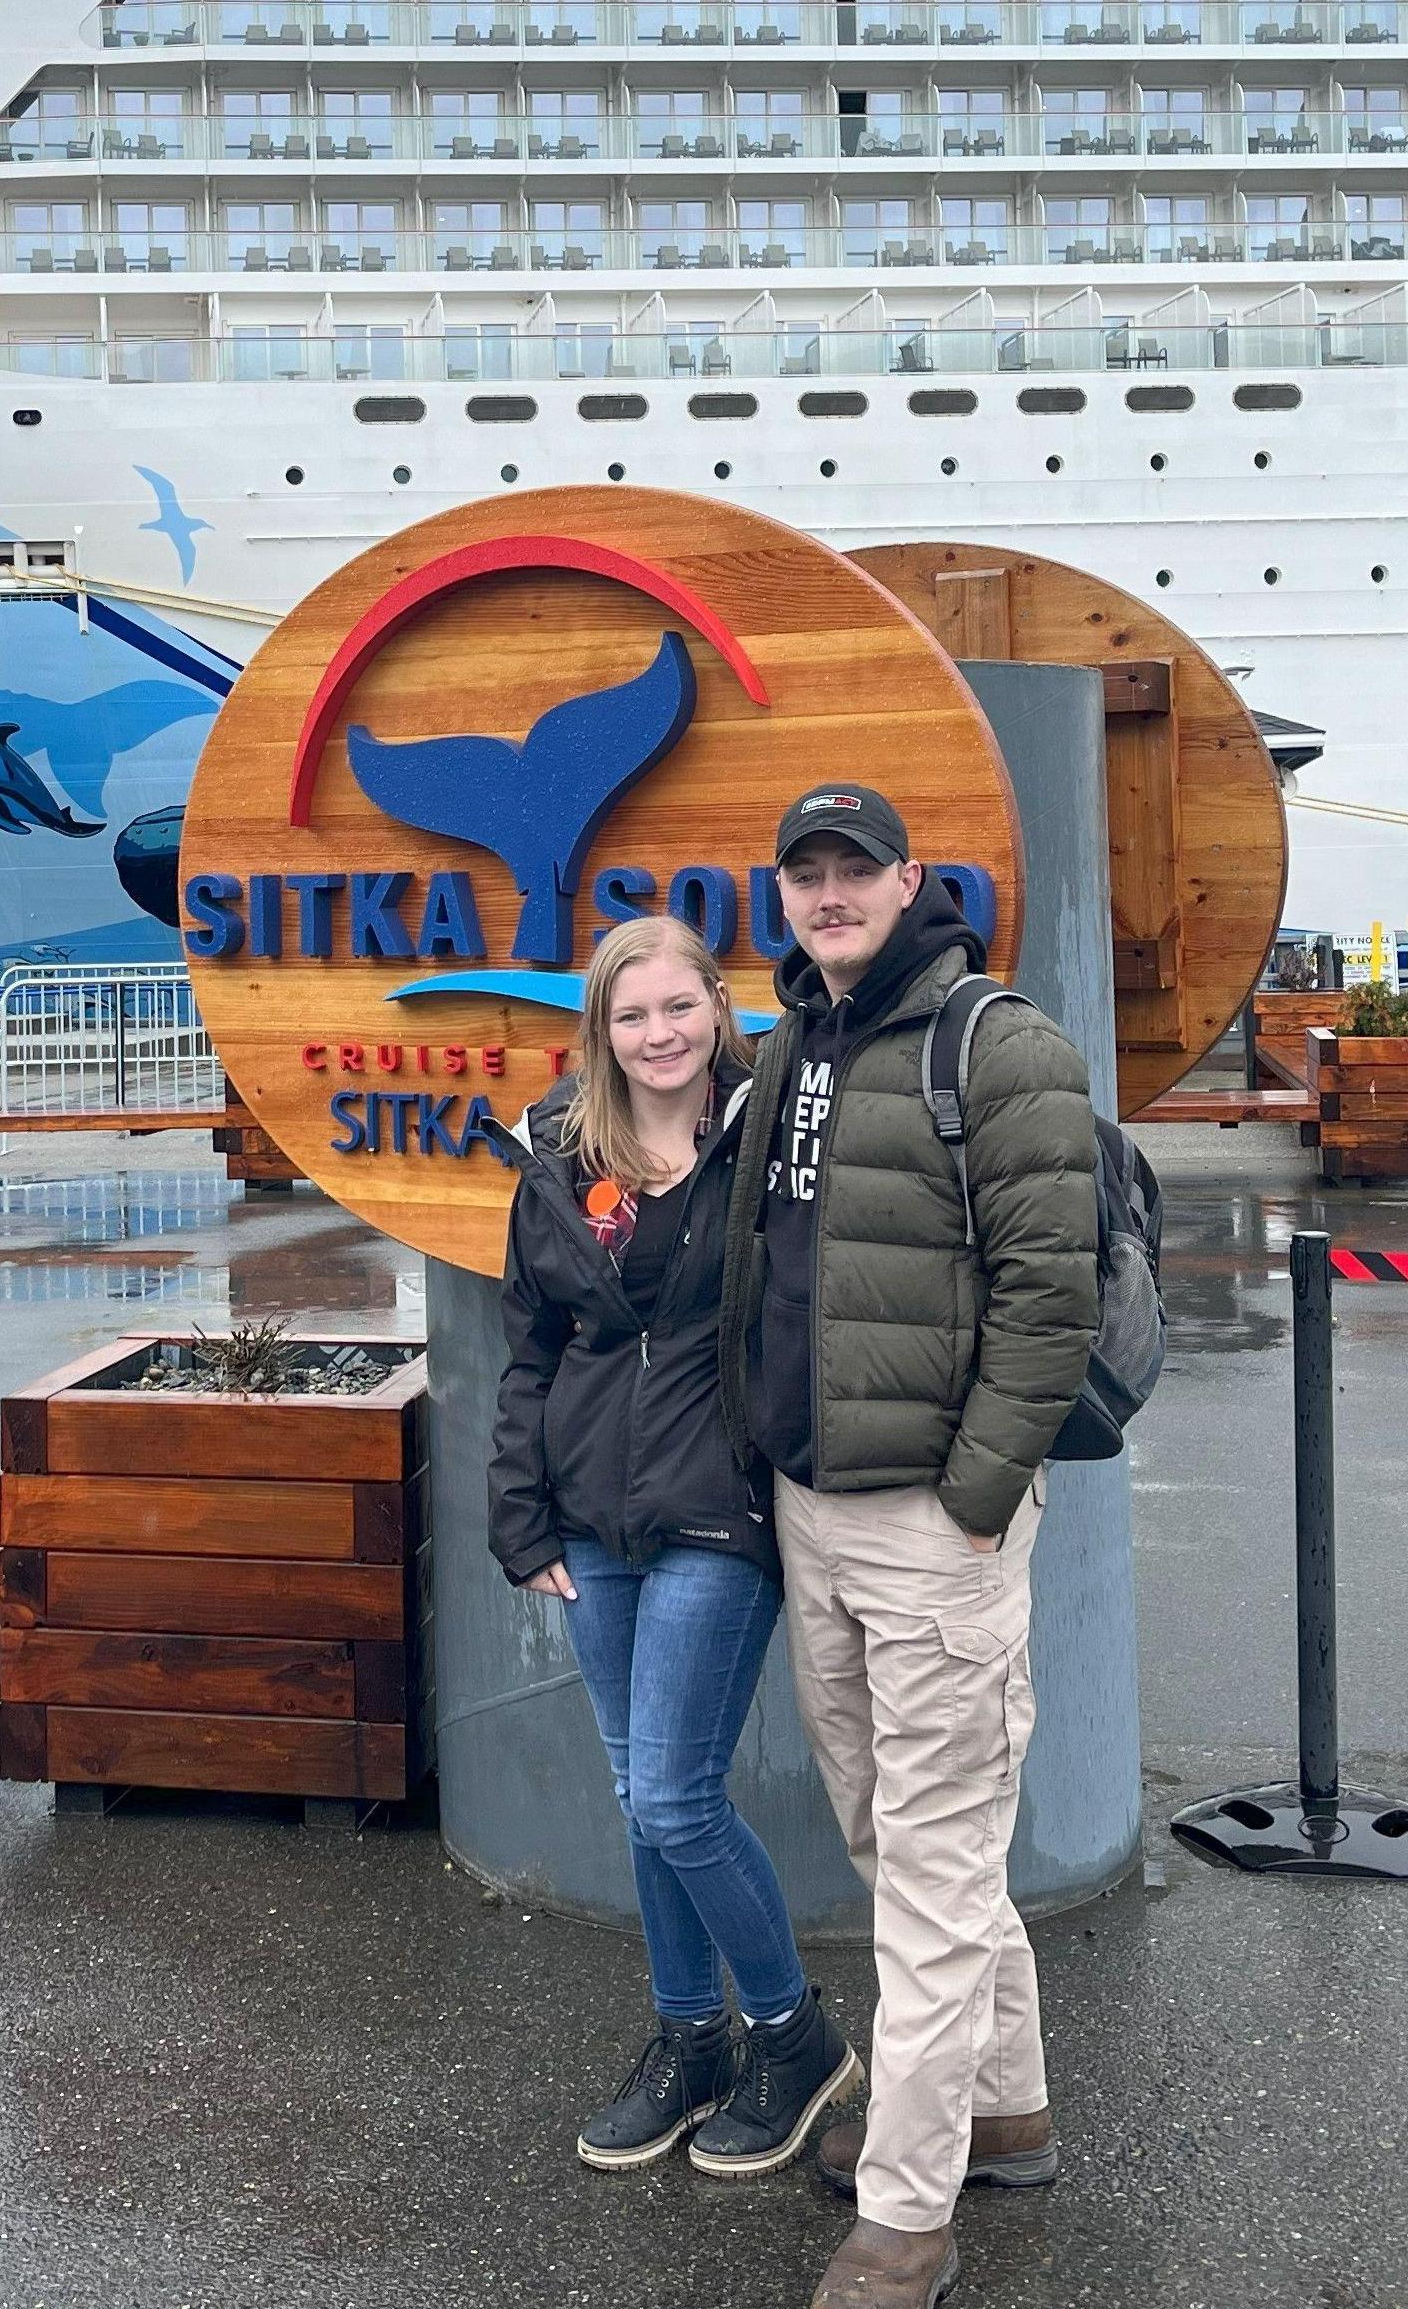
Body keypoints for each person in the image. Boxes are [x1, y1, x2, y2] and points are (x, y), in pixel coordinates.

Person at [719, 784, 1098, 2309]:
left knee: (931, 1868)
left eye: (851, 869)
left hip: (930, 1523)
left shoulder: (995, 1044)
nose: (827, 892)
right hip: (812, 1507)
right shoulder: (792, 1040)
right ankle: (999, 2102)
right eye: (804, 871)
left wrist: (973, 1495)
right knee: (894, 1840)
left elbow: (1046, 1295)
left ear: (907, 879)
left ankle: (906, 2209)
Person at [490, 917, 858, 2180]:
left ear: (717, 1006)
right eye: (631, 1015)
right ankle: (689, 2036)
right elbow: (532, 1346)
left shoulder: (770, 1135)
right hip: (591, 1515)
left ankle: (793, 2038)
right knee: (641, 1793)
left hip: (720, 1502)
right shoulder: (558, 1153)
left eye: (678, 1007)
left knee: (672, 1791)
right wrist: (518, 1509)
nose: (658, 1034)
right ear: (601, 1030)